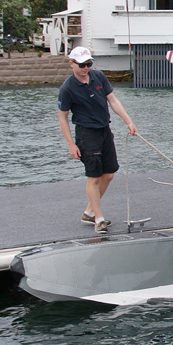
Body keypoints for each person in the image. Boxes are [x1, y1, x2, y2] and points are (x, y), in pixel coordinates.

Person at [57, 47, 137, 233]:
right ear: (71, 64)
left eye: (89, 64)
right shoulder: (67, 89)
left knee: (108, 174)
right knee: (93, 177)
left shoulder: (99, 77)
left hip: (104, 129)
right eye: (82, 65)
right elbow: (63, 118)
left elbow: (113, 100)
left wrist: (129, 121)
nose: (86, 68)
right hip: (86, 133)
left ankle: (89, 211)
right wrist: (71, 144)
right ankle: (98, 219)